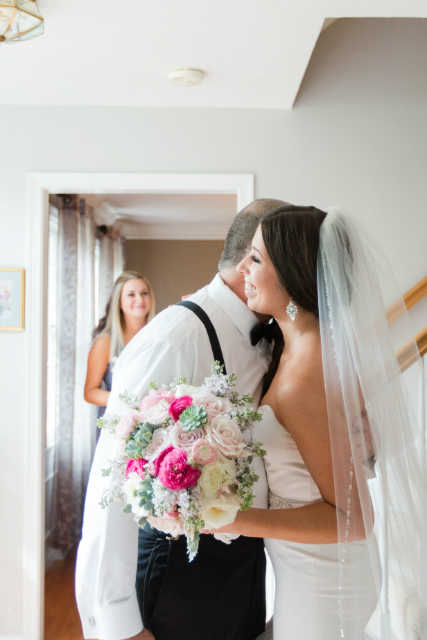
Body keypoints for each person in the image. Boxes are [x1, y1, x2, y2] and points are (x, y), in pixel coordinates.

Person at [206, 204, 427, 639]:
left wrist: (236, 519)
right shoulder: (302, 347)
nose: (241, 268)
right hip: (309, 568)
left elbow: (357, 517)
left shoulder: (304, 372)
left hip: (325, 579)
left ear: (289, 275)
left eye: (255, 258)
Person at [75, 198, 286, 640]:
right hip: (176, 577)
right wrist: (119, 624)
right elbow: (112, 481)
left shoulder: (273, 334)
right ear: (254, 260)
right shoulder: (174, 338)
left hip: (242, 572)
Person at [84, 271, 155, 421]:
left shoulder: (158, 337)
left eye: (144, 293)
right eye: (131, 295)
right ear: (119, 301)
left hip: (153, 420)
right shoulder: (105, 342)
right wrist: (130, 403)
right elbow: (90, 392)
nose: (139, 299)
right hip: (116, 421)